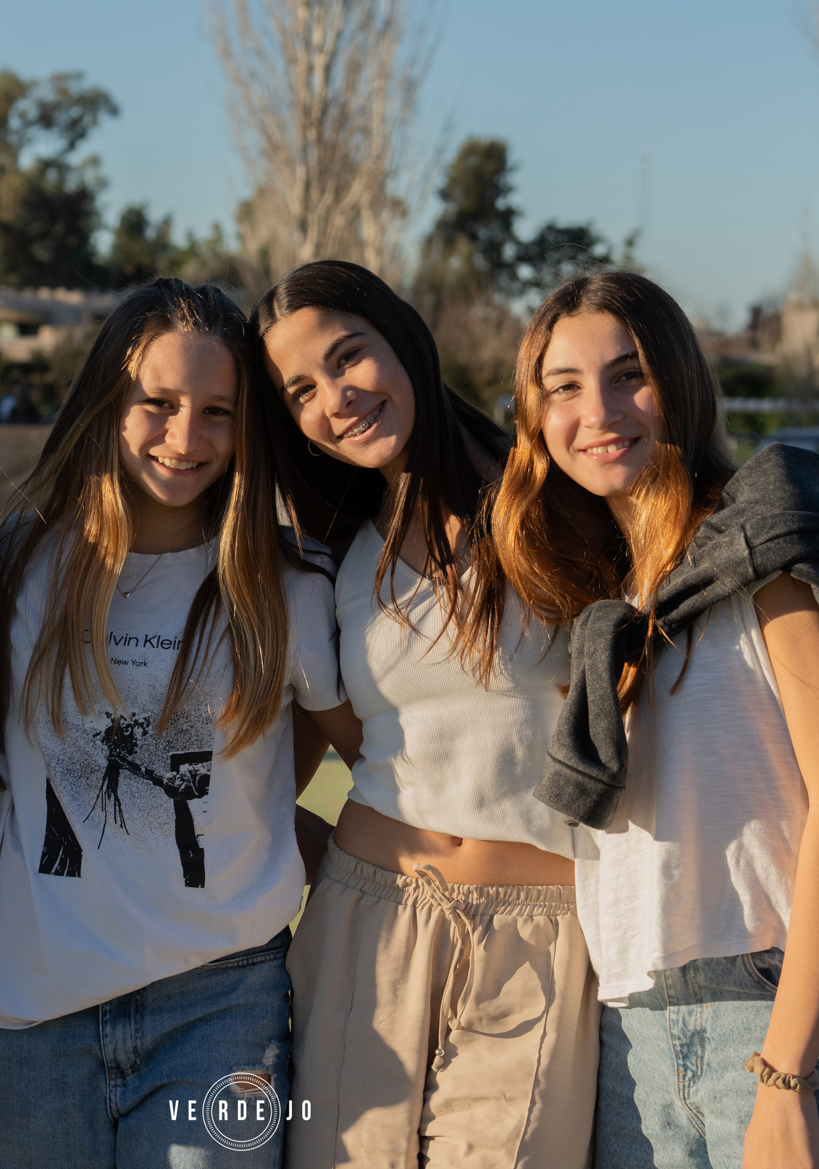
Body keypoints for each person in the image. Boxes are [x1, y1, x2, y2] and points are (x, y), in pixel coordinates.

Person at [501, 270, 819, 1168]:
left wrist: (784, 1075)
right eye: (564, 387)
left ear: (682, 385)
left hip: (792, 1016)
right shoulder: (603, 604)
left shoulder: (765, 549)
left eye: (630, 375)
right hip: (632, 1033)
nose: (600, 410)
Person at [0, 278, 357, 1168]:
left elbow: (376, 764)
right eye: (158, 403)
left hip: (224, 1010)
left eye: (217, 410)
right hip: (33, 1015)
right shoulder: (16, 566)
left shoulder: (286, 585)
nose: (186, 437)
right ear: (109, 400)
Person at [252, 260, 600, 1168]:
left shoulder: (559, 497)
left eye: (349, 356)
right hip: (365, 925)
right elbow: (271, 774)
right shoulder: (331, 547)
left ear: (404, 335)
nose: (338, 397)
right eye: (302, 390)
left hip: (543, 932)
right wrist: (347, 871)